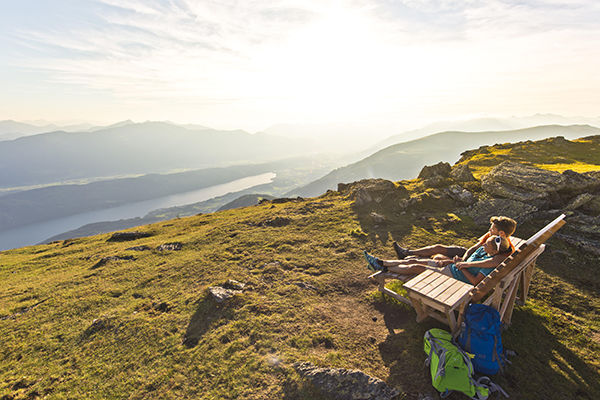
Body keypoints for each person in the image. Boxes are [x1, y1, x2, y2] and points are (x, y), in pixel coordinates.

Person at [365, 235, 512, 285]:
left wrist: (462, 267)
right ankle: (382, 263)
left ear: (494, 251)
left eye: (487, 243)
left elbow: (474, 282)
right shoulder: (482, 250)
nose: (484, 243)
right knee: (412, 261)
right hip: (450, 267)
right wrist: (454, 261)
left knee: (415, 267)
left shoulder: (489, 265)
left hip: (454, 277)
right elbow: (462, 261)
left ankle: (383, 267)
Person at [392, 216, 517, 262]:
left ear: (501, 233)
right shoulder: (493, 237)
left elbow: (483, 263)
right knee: (438, 247)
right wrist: (465, 257)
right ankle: (407, 253)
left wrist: (463, 262)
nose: (489, 231)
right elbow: (474, 248)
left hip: (470, 264)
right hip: (468, 256)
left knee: (437, 257)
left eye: (492, 229)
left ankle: (413, 260)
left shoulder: (503, 250)